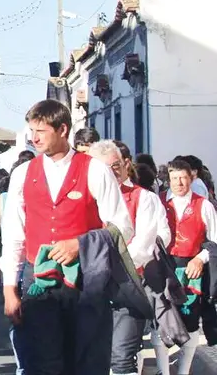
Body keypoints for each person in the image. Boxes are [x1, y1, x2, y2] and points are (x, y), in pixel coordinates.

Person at [0, 100, 133, 375]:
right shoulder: (23, 174)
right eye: (31, 130)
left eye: (41, 130)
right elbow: (13, 234)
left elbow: (123, 226)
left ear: (63, 129)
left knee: (87, 360)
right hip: (39, 280)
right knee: (42, 362)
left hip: (87, 281)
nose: (33, 138)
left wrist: (80, 244)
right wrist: (9, 289)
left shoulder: (95, 169)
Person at [87, 140, 170, 375]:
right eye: (103, 168)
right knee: (94, 353)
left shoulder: (143, 198)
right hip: (91, 287)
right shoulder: (86, 198)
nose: (111, 173)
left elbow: (145, 243)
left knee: (122, 356)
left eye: (115, 166)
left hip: (127, 284)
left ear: (125, 165)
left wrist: (113, 268)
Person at [152, 159, 217, 375]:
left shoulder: (204, 205)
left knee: (189, 322)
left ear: (192, 178)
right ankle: (163, 370)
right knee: (160, 320)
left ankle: (183, 371)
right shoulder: (158, 202)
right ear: (167, 179)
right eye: (174, 178)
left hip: (191, 270)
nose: (179, 183)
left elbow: (215, 240)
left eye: (183, 178)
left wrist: (200, 259)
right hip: (163, 267)